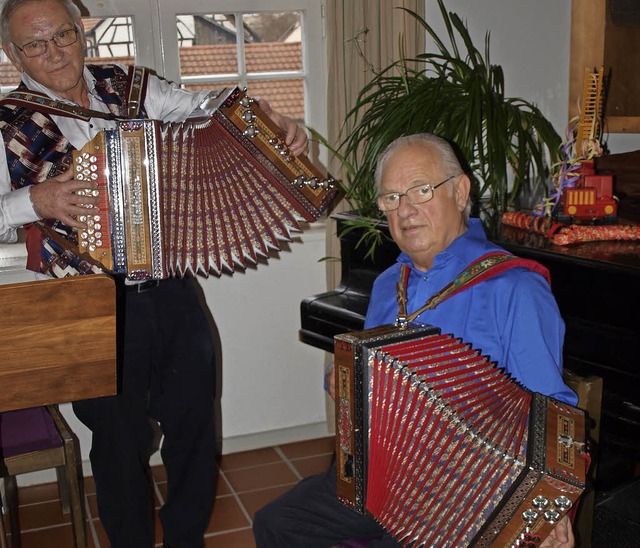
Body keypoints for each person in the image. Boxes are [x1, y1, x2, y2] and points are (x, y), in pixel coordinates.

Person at [0, 0, 308, 546]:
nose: (56, 52)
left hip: (169, 284)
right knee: (118, 441)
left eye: (64, 35)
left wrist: (263, 117)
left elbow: (202, 108)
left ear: (81, 32)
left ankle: (186, 536)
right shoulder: (6, 123)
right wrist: (34, 200)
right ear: (11, 53)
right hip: (86, 301)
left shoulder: (128, 85)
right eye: (36, 45)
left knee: (195, 423)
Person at [253, 133, 578, 547]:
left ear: (460, 192)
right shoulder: (391, 283)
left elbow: (554, 410)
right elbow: (370, 371)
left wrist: (552, 509)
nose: (405, 210)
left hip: (467, 496)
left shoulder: (515, 287)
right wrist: (341, 378)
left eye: (421, 191)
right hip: (384, 479)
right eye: (390, 198)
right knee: (277, 523)